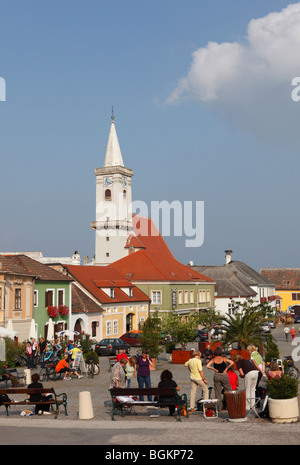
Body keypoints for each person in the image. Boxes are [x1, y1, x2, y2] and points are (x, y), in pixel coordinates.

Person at [206, 346, 234, 410]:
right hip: (224, 375)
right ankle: (231, 405)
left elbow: (207, 366)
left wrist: (214, 369)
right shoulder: (224, 358)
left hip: (217, 375)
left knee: (217, 392)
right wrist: (226, 368)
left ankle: (219, 407)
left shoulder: (213, 359)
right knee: (229, 390)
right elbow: (232, 362)